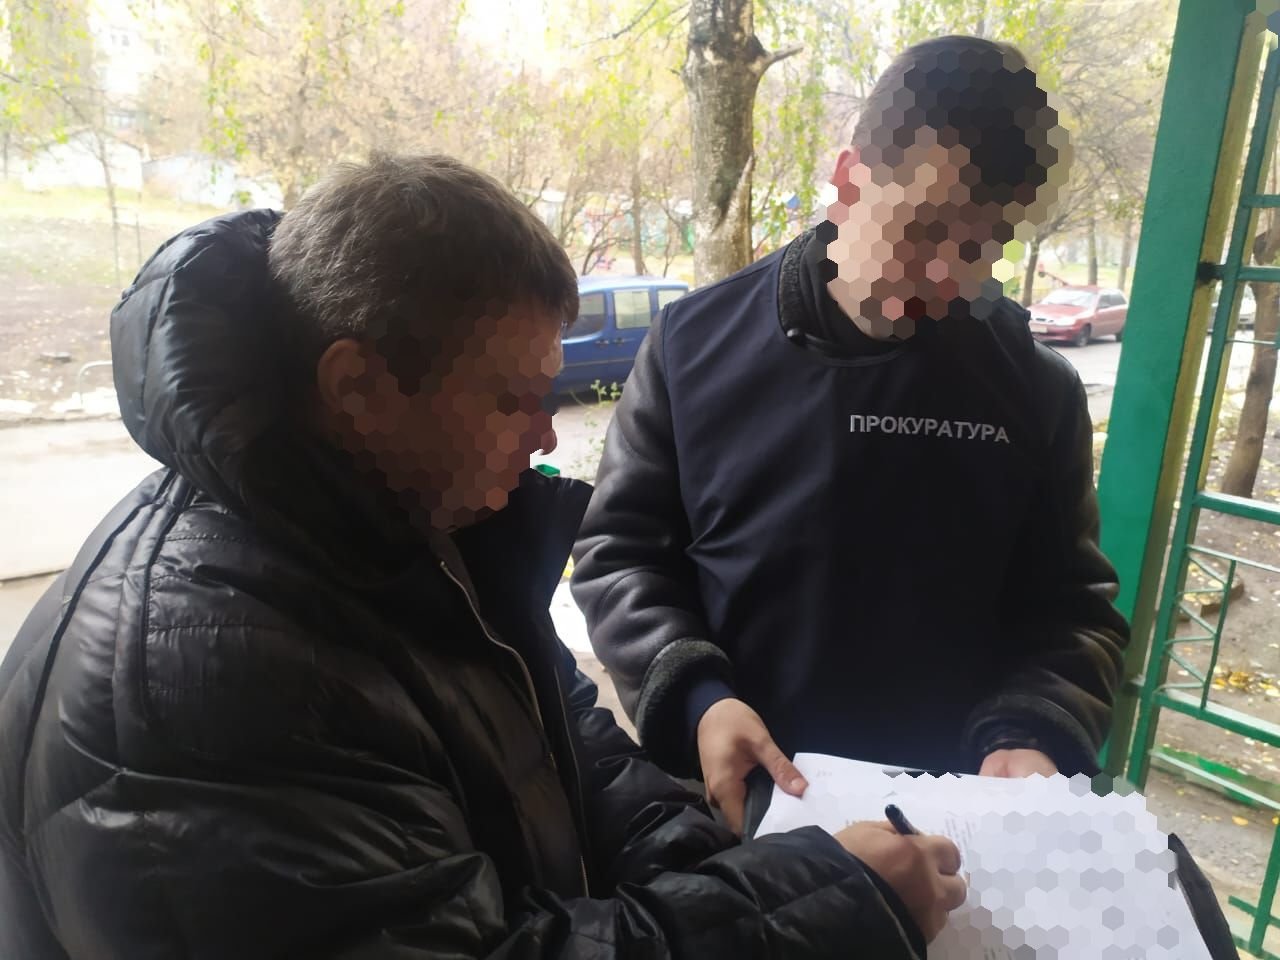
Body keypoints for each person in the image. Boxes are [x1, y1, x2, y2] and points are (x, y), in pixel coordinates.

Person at [0, 153, 967, 959]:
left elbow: (561, 742)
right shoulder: (207, 676)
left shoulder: (395, 523)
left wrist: (716, 865)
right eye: (513, 399)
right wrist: (823, 907)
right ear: (358, 388)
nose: (546, 437)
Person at [570, 35, 1132, 835]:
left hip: (952, 827)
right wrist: (698, 699)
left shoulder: (1037, 390)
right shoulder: (691, 346)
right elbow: (619, 554)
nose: (948, 279)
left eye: (981, 248)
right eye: (923, 231)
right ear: (846, 181)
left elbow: (1073, 608)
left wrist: (1032, 729)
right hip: (745, 808)